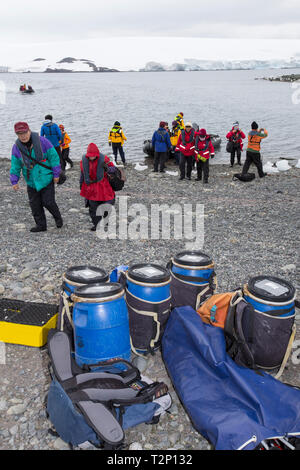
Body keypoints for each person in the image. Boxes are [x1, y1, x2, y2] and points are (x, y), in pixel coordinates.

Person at [10, 122, 63, 232]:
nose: (23, 136)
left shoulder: (43, 142)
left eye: (24, 133)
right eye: (19, 134)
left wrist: (56, 174)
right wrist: (14, 181)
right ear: (17, 135)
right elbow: (15, 166)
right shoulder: (16, 148)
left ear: (29, 131)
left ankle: (58, 217)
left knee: (48, 202)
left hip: (46, 178)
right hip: (31, 182)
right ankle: (41, 226)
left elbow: (54, 158)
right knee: (35, 205)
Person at [80, 143, 115, 231]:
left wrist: (107, 168)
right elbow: (82, 174)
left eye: (93, 156)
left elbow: (114, 169)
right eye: (90, 156)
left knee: (107, 204)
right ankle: (97, 224)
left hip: (103, 185)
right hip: (91, 187)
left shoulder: (105, 159)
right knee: (93, 207)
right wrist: (81, 184)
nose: (92, 157)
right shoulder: (83, 161)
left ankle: (107, 220)